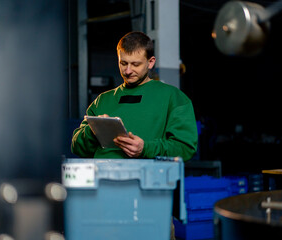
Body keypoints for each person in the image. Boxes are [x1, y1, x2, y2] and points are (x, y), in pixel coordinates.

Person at [72, 31, 198, 162]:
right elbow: (76, 147)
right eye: (123, 63)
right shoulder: (102, 101)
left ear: (150, 62)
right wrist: (93, 131)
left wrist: (146, 148)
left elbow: (185, 148)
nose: (128, 71)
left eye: (135, 64)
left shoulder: (174, 98)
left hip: (148, 178)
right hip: (102, 177)